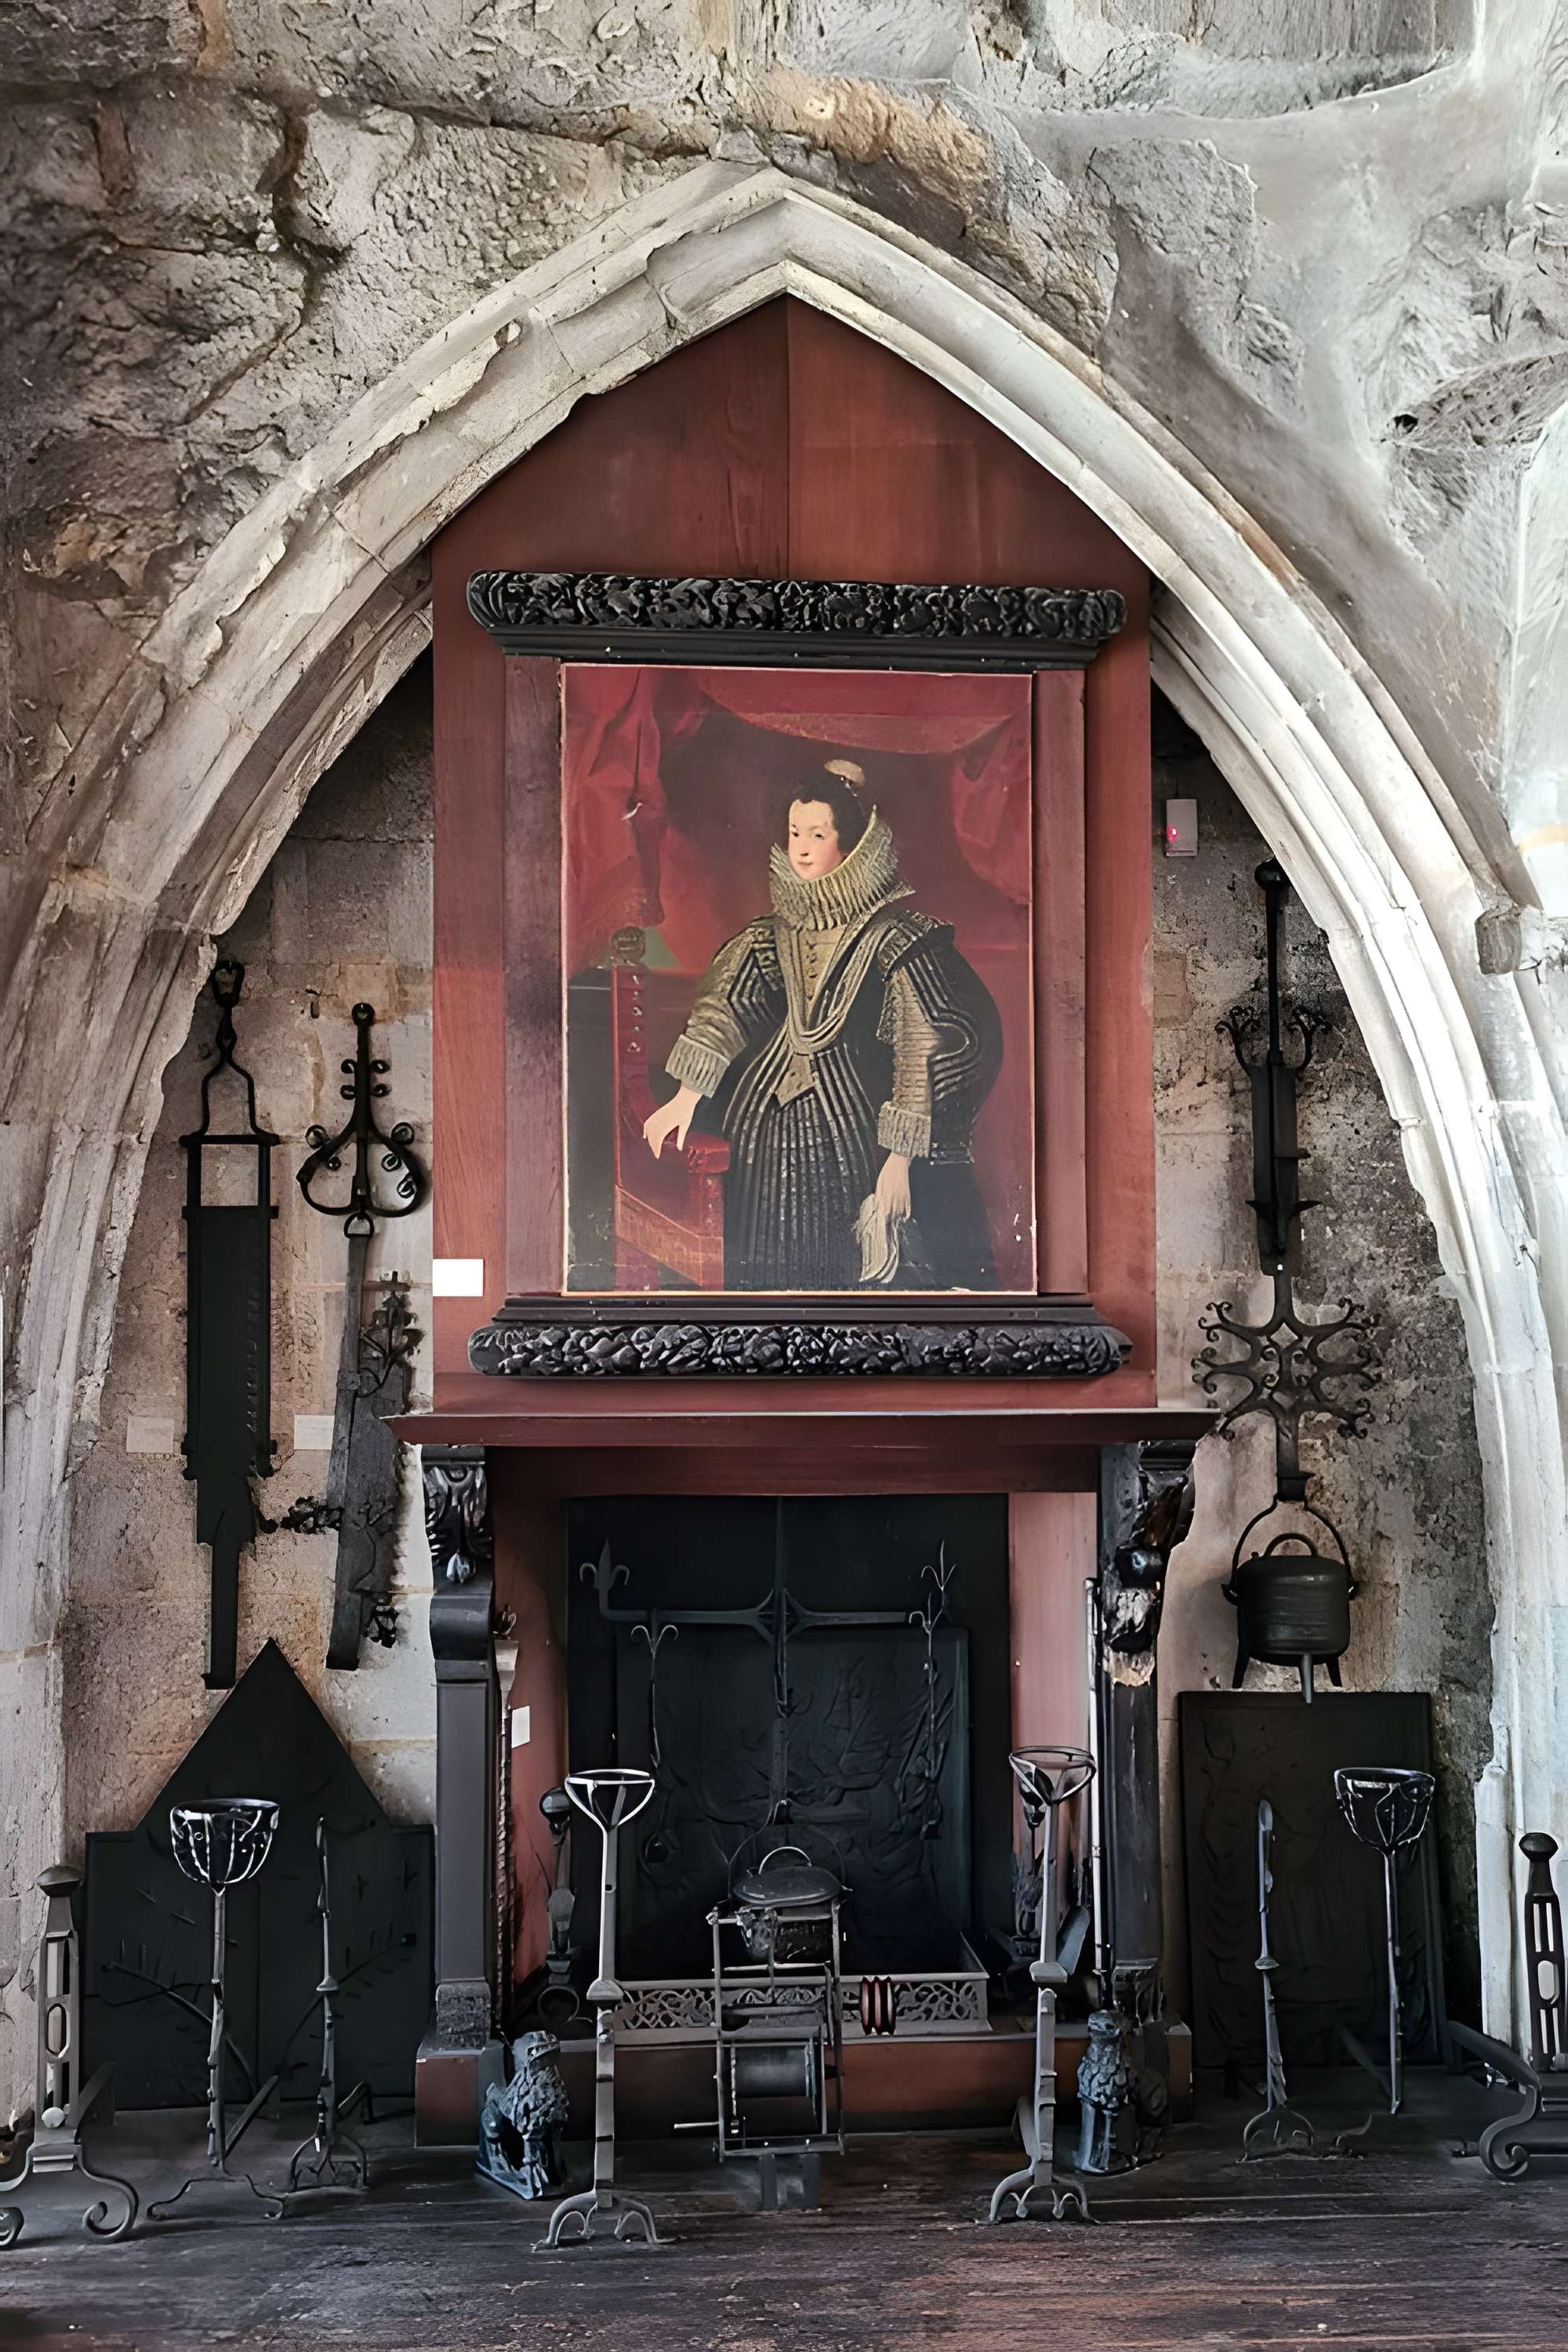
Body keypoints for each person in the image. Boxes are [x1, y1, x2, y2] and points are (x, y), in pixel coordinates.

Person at [642, 760, 1001, 1290]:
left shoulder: (897, 937)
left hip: (852, 1131)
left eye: (818, 834)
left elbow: (921, 1043)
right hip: (760, 1125)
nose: (802, 848)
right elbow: (725, 1006)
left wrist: (899, 1158)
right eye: (794, 834)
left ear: (851, 843)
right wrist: (687, 1097)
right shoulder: (769, 935)